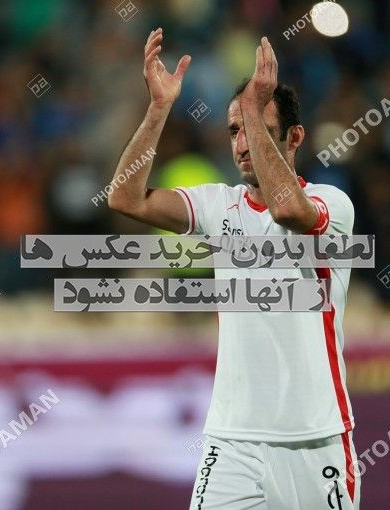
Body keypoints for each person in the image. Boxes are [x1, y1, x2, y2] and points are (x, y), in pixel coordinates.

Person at [108, 28, 360, 509]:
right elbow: (126, 198)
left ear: (295, 136)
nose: (242, 143)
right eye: (234, 130)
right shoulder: (217, 206)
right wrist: (158, 109)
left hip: (314, 438)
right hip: (231, 441)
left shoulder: (332, 203)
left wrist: (253, 107)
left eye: (256, 126)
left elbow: (287, 210)